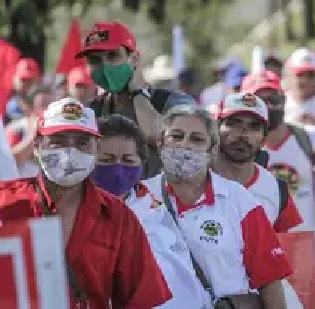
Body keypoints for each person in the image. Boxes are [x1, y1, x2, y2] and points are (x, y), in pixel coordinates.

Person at [0, 97, 172, 307]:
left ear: (96, 148)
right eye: (58, 141)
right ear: (36, 146)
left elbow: (140, 299)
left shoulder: (119, 217)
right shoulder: (5, 202)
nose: (70, 152)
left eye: (82, 143)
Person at [143, 104, 292, 308]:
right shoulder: (137, 198)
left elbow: (270, 279)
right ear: (160, 143)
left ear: (212, 149)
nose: (185, 145)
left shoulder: (239, 200)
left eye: (197, 139)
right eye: (176, 136)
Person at [90, 114, 210, 308]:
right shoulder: (76, 211)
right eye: (107, 159)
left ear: (142, 163)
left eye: (128, 161)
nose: (118, 169)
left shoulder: (154, 207)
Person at [76, 21, 196, 177]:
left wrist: (139, 93)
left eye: (113, 55)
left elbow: (159, 137)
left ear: (134, 59)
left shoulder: (175, 103)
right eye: (95, 60)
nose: (105, 66)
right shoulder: (92, 111)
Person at [242, 70, 315, 231]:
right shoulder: (235, 150)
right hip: (259, 249)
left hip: (307, 245)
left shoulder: (313, 139)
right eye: (259, 100)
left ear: (284, 99)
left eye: (273, 99)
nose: (267, 106)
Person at [211, 92, 302, 232]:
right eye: (234, 123)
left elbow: (289, 249)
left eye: (254, 126)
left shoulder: (277, 192)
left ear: (264, 139)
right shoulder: (193, 181)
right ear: (216, 129)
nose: (243, 134)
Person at [5, 58, 41, 123]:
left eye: (29, 80)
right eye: (22, 80)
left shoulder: (44, 101)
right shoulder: (11, 105)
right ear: (14, 80)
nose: (25, 84)